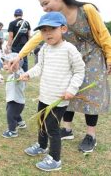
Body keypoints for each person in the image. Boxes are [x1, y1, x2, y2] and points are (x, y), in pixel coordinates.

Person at [10, 0, 111, 153]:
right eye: (42, 5)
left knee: (91, 96)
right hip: (69, 56)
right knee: (67, 92)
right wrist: (19, 56)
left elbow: (103, 34)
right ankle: (67, 128)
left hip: (92, 57)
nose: (44, 8)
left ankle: (90, 135)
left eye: (46, 3)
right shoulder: (54, 20)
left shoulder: (86, 10)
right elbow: (37, 38)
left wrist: (109, 57)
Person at [19, 12, 85, 171]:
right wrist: (29, 74)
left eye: (51, 29)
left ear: (63, 29)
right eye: (43, 30)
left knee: (52, 127)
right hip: (45, 95)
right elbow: (39, 67)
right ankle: (41, 146)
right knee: (41, 122)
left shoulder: (69, 49)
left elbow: (79, 71)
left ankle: (55, 159)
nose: (47, 33)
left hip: (59, 99)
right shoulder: (44, 49)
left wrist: (71, 89)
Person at [2, 53, 27, 138]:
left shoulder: (19, 74)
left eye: (6, 64)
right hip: (12, 100)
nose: (4, 66)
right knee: (13, 112)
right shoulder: (11, 75)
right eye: (4, 64)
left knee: (10, 115)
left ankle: (12, 131)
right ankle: (21, 123)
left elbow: (17, 74)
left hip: (16, 101)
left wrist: (15, 67)